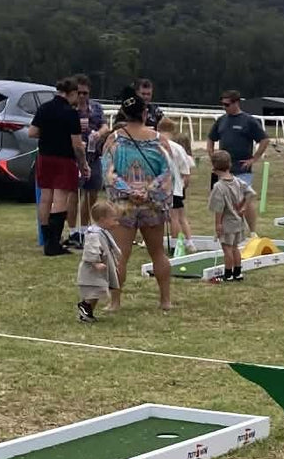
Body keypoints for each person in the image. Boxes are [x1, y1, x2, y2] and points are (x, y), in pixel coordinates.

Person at [103, 94, 174, 311]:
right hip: (152, 203)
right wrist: (147, 190)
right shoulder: (158, 139)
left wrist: (129, 190)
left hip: (123, 204)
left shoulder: (114, 139)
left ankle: (114, 302)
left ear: (124, 114)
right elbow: (168, 171)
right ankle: (165, 300)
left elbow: (108, 172)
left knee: (120, 255)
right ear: (145, 113)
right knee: (158, 253)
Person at [28, 76, 90, 256]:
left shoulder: (44, 108)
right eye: (77, 94)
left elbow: (32, 132)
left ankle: (46, 238)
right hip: (64, 159)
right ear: (70, 93)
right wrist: (83, 164)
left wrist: (48, 133)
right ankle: (54, 243)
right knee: (61, 197)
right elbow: (77, 145)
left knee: (46, 197)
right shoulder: (70, 113)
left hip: (45, 157)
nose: (78, 98)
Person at [205, 91, 268, 234]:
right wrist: (211, 154)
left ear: (236, 103)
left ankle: (252, 232)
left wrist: (254, 158)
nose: (224, 107)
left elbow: (264, 139)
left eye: (227, 104)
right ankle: (225, 230)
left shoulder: (249, 121)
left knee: (245, 200)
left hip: (242, 168)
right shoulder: (221, 120)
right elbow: (210, 138)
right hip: (222, 168)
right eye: (222, 104)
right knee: (222, 200)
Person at [69, 74, 108, 248]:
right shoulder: (70, 109)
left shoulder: (96, 108)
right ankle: (72, 230)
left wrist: (99, 133)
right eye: (79, 93)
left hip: (94, 156)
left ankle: (85, 229)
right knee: (73, 194)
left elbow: (105, 125)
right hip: (74, 157)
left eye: (85, 92)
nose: (82, 96)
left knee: (91, 193)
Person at [207, 150, 253, 282]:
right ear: (229, 165)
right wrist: (244, 206)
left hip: (227, 222)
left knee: (227, 249)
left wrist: (218, 224)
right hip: (238, 221)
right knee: (235, 248)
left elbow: (219, 208)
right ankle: (237, 273)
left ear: (214, 167)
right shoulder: (238, 181)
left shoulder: (219, 187)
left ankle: (228, 274)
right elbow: (250, 193)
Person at [75, 199, 122, 322]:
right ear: (102, 219)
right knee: (94, 291)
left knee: (97, 291)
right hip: (92, 270)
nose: (116, 223)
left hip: (100, 270)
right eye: (114, 219)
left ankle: (87, 314)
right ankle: (85, 306)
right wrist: (95, 262)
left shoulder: (102, 232)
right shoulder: (93, 234)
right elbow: (91, 250)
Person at [158, 119, 195, 251]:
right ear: (173, 131)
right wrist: (184, 184)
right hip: (176, 187)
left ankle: (175, 246)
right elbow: (186, 171)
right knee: (180, 216)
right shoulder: (178, 148)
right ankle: (189, 242)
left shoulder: (155, 145)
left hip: (160, 186)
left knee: (168, 218)